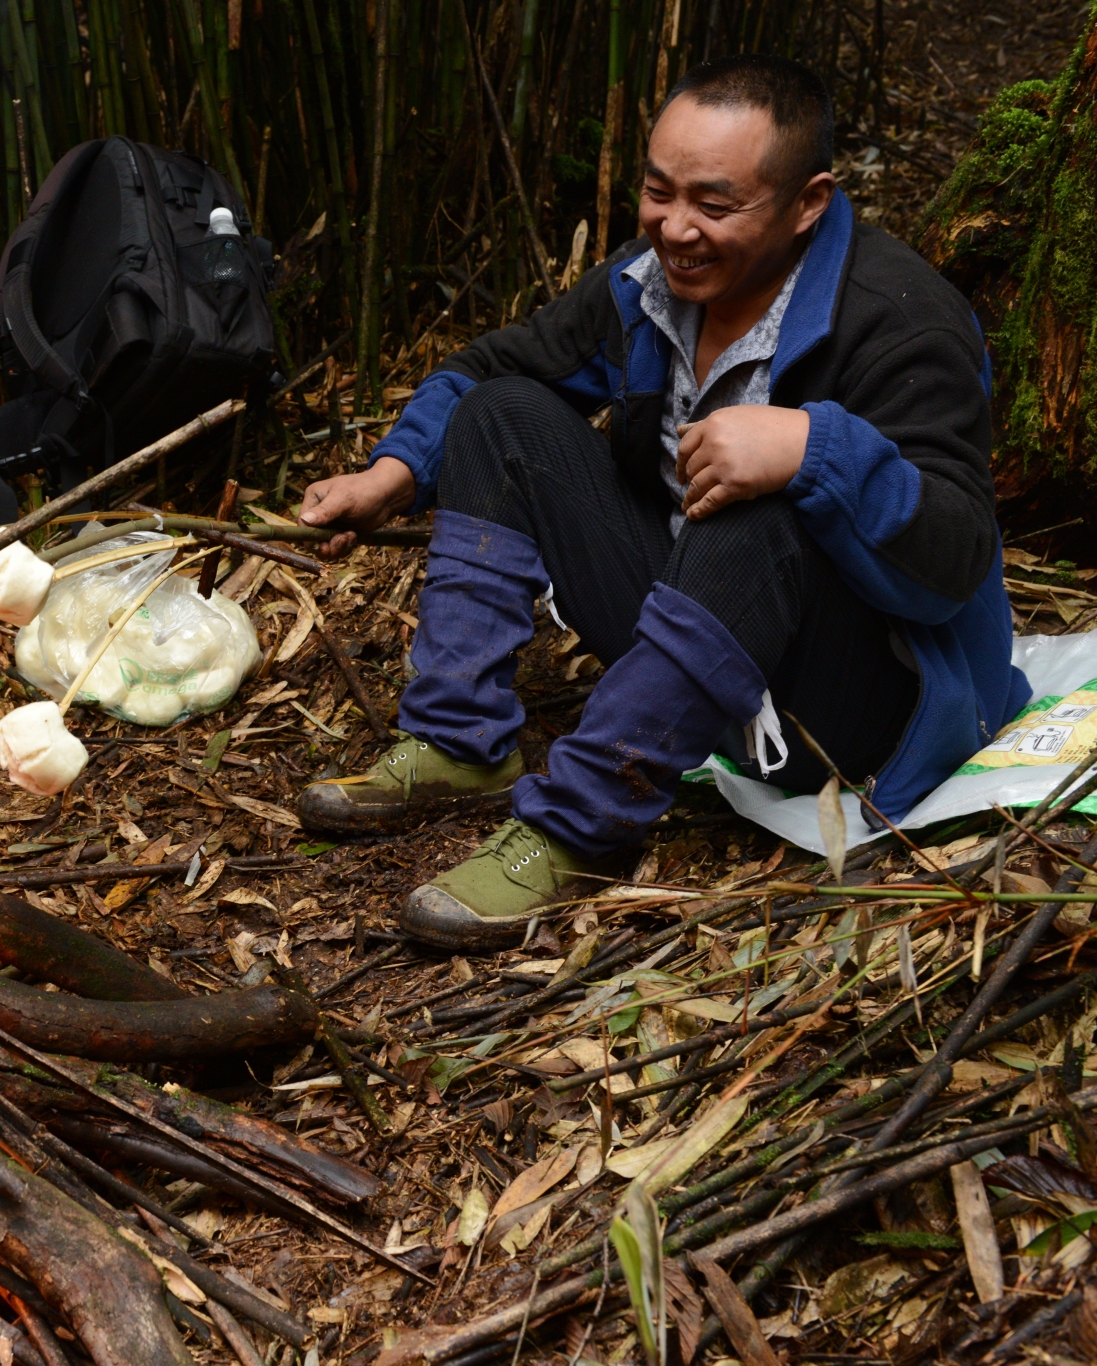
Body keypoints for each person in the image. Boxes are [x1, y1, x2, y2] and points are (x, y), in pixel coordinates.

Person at [294, 55, 1025, 949]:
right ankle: (460, 743)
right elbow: (498, 367)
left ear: (809, 203)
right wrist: (395, 474)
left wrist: (811, 448)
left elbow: (952, 561)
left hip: (854, 700)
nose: (676, 229)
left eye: (715, 206)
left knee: (756, 509)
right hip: (697, 630)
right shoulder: (651, 284)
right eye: (657, 192)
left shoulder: (901, 318)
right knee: (499, 417)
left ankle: (576, 828)